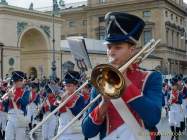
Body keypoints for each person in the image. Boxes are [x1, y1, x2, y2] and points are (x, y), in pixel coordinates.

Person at [81, 12, 162, 140]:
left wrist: (125, 81)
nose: (111, 52)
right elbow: (87, 132)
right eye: (109, 47)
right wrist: (104, 104)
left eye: (118, 47)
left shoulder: (151, 77)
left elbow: (153, 118)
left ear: (132, 50)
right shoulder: (101, 80)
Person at [56, 71, 86, 140]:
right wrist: (58, 103)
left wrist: (67, 102)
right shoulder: (62, 96)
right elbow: (56, 113)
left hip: (75, 133)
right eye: (65, 85)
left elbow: (79, 114)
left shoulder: (80, 98)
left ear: (75, 86)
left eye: (69, 86)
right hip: (62, 131)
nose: (66, 88)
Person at [2, 71, 29, 140]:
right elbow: (4, 105)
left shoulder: (25, 91)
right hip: (10, 116)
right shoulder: (11, 90)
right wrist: (6, 98)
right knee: (8, 137)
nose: (15, 83)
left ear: (21, 81)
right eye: (14, 81)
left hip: (20, 115)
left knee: (19, 138)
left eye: (17, 81)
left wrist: (14, 96)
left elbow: (24, 103)